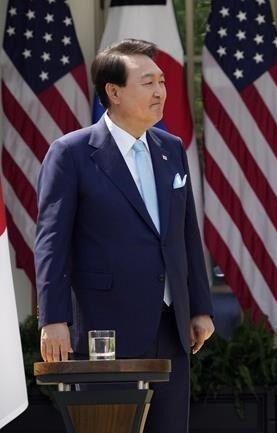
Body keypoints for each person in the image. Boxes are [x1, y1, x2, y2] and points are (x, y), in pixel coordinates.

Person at [35, 39, 214, 433]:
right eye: (148, 82)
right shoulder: (71, 153)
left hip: (171, 328)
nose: (160, 91)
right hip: (105, 329)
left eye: (162, 81)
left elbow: (185, 233)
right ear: (113, 93)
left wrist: (199, 306)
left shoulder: (171, 149)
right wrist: (54, 319)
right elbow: (52, 243)